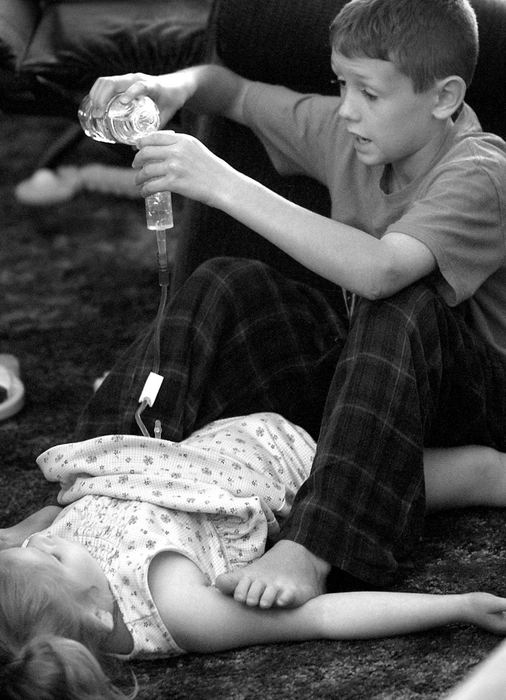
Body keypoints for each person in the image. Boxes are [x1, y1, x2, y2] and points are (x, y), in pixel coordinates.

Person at [79, 0, 506, 609]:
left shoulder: (482, 170)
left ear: (443, 98)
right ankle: (91, 491)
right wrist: (168, 87)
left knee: (400, 298)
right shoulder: (348, 130)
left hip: (473, 392)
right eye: (341, 84)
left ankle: (314, 546)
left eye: (370, 93)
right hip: (373, 386)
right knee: (226, 282)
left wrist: (221, 181)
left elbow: (382, 271)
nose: (349, 107)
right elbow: (228, 90)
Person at [1, 408, 506, 699]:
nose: (44, 539)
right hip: (303, 469)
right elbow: (318, 617)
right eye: (50, 557)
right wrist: (456, 606)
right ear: (94, 609)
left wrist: (25, 539)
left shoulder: (48, 574)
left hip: (207, 434)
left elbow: (41, 534)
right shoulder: (174, 608)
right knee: (476, 473)